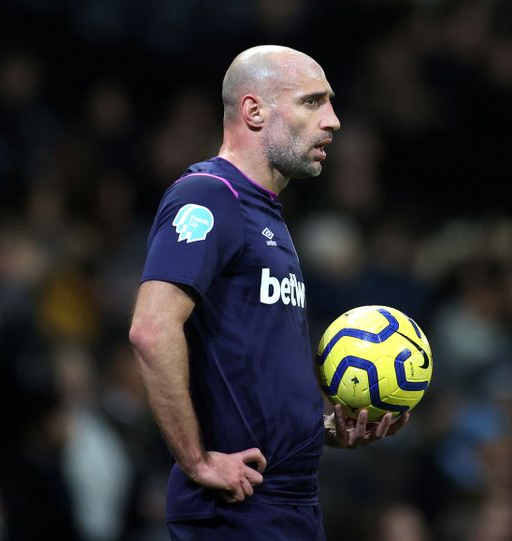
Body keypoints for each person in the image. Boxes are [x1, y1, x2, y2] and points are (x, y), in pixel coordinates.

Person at [129, 45, 409, 540]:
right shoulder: (210, 196)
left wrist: (325, 430)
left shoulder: (266, 215)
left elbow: (253, 372)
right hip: (237, 509)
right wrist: (195, 460)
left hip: (288, 506)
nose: (334, 121)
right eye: (312, 102)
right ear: (254, 110)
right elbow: (151, 329)